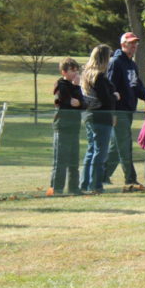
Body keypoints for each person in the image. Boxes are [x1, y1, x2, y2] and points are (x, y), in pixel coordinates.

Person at [104, 32, 145, 192]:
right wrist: (112, 112)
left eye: (135, 43)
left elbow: (137, 87)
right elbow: (109, 88)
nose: (134, 46)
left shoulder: (132, 64)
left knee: (116, 147)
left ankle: (102, 175)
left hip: (129, 110)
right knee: (125, 145)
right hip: (119, 111)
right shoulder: (116, 62)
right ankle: (131, 179)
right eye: (131, 43)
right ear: (123, 44)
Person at [79, 45, 118, 194]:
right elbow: (105, 99)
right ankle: (96, 185)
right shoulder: (99, 76)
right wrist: (114, 96)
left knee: (91, 150)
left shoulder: (86, 74)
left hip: (89, 115)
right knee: (100, 151)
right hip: (101, 116)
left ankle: (85, 183)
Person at [47, 58, 83, 196]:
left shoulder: (75, 86)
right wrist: (74, 99)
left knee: (74, 160)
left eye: (76, 70)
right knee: (60, 160)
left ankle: (74, 188)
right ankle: (56, 189)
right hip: (62, 126)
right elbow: (67, 102)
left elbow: (81, 103)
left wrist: (77, 88)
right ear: (64, 72)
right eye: (72, 70)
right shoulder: (60, 84)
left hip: (74, 126)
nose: (75, 73)